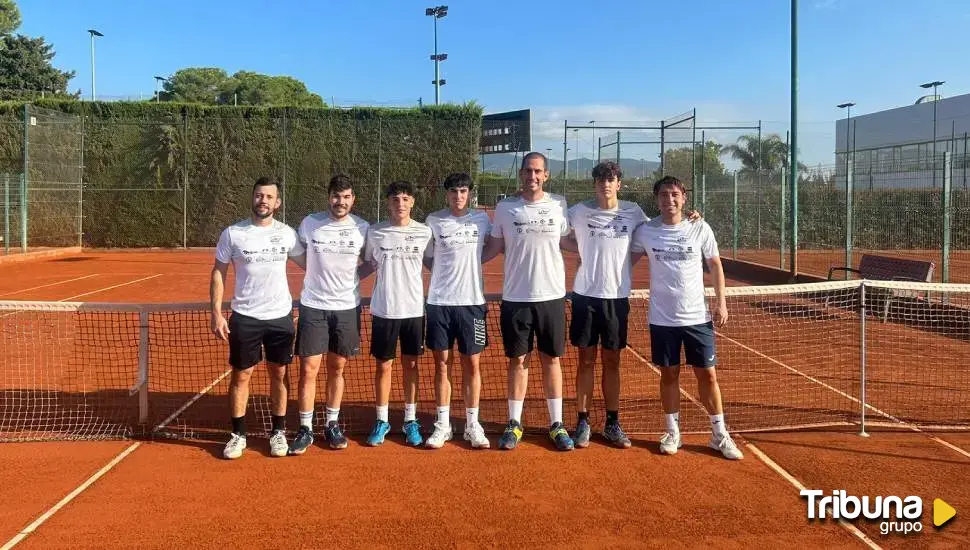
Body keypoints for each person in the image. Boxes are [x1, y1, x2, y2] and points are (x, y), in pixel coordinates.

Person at [631, 175, 743, 460]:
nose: (669, 200)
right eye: (664, 195)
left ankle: (719, 434)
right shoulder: (645, 231)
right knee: (669, 375)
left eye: (674, 194)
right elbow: (624, 255)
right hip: (662, 319)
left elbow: (715, 264)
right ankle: (673, 432)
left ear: (684, 197)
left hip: (697, 317)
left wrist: (722, 303)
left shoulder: (699, 227)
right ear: (656, 199)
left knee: (707, 374)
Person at [482, 152, 574, 451]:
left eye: (537, 172)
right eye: (527, 171)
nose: (532, 176)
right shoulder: (506, 208)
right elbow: (492, 247)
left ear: (546, 175)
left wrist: (604, 243)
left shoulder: (559, 205)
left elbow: (569, 241)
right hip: (516, 298)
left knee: (551, 359)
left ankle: (556, 424)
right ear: (521, 174)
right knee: (517, 361)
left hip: (552, 296)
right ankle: (514, 422)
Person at [210, 177, 305, 460]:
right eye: (259, 195)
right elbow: (219, 271)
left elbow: (311, 264)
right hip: (245, 317)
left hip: (280, 317)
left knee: (279, 373)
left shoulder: (287, 234)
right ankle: (238, 435)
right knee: (242, 375)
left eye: (269, 197)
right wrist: (216, 312)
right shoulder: (233, 234)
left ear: (278, 203)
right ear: (252, 198)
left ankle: (278, 432)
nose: (263, 200)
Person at [560, 161, 648, 449]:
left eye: (610, 179)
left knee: (613, 361)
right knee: (585, 360)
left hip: (616, 298)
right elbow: (557, 234)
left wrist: (691, 217)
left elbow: (656, 231)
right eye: (600, 179)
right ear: (594, 184)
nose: (605, 184)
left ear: (619, 184)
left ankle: (612, 422)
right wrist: (580, 248)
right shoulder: (579, 211)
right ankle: (582, 421)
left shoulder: (634, 212)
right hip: (585, 297)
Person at [288, 174, 370, 455]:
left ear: (353, 199)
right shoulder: (311, 223)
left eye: (346, 197)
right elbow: (298, 254)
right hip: (313, 306)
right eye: (336, 196)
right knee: (308, 368)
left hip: (347, 307)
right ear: (328, 197)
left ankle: (332, 424)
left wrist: (354, 277)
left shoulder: (363, 228)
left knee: (338, 367)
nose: (340, 202)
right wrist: (313, 272)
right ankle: (305, 428)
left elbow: (371, 260)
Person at [422, 172, 493, 449]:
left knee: (471, 364)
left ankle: (472, 425)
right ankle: (443, 425)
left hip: (472, 304)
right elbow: (428, 257)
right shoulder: (433, 221)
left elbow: (491, 248)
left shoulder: (482, 220)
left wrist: (473, 263)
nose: (458, 196)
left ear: (470, 194)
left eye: (463, 191)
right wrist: (443, 276)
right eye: (453, 192)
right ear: (446, 194)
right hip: (439, 304)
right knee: (441, 364)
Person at [364, 180, 434, 446]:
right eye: (395, 199)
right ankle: (382, 420)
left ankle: (410, 419)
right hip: (384, 310)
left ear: (413, 202)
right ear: (388, 203)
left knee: (411, 365)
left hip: (414, 310)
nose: (400, 204)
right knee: (383, 366)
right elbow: (370, 261)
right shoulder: (375, 232)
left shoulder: (424, 232)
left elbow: (431, 262)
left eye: (405, 199)